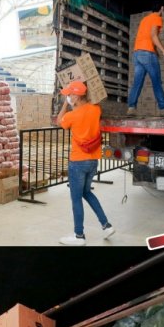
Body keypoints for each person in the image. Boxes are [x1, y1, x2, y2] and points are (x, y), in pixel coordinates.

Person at [57, 80, 116, 245]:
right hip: (92, 161)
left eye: (69, 95)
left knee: (76, 198)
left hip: (77, 162)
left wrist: (64, 106)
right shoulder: (96, 110)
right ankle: (106, 225)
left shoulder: (71, 116)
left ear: (76, 96)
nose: (67, 97)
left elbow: (59, 121)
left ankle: (79, 236)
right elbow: (92, 104)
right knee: (87, 193)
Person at [127, 2, 164, 117]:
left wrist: (155, 51)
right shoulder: (157, 18)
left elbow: (146, 37)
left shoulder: (145, 19)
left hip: (137, 53)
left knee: (137, 83)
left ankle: (131, 108)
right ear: (162, 8)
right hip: (147, 54)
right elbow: (153, 35)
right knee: (156, 82)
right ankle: (163, 108)